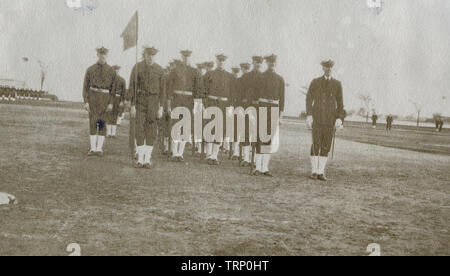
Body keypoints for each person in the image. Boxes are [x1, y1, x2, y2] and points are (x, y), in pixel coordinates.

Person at [306, 59, 344, 181]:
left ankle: (321, 172)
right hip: (317, 119)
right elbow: (308, 99)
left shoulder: (337, 84)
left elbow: (340, 104)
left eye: (330, 67)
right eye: (326, 67)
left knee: (326, 146)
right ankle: (313, 171)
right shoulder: (315, 82)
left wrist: (339, 118)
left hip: (329, 120)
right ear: (323, 68)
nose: (328, 69)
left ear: (332, 69)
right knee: (316, 144)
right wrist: (309, 115)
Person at [129, 46, 165, 169]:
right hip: (140, 102)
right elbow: (132, 87)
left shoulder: (160, 70)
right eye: (148, 55)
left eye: (153, 55)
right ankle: (140, 159)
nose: (150, 57)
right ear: (144, 55)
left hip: (154, 103)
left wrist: (161, 107)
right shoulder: (137, 67)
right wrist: (132, 105)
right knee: (139, 129)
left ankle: (147, 159)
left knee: (151, 131)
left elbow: (163, 91)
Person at [252, 55, 285, 176]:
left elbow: (282, 100)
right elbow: (254, 96)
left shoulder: (280, 79)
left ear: (276, 63)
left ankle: (264, 167)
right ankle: (258, 166)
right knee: (261, 138)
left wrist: (280, 116)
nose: (272, 64)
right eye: (270, 62)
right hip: (262, 108)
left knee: (268, 139)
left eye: (274, 62)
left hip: (274, 110)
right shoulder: (260, 77)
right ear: (266, 63)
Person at [166, 50, 202, 162]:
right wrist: (168, 102)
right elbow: (168, 87)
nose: (186, 59)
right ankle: (174, 152)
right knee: (175, 126)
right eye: (184, 57)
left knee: (185, 128)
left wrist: (197, 104)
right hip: (176, 100)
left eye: (188, 57)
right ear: (181, 57)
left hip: (188, 101)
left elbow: (198, 89)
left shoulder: (195, 71)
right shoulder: (174, 70)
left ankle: (180, 153)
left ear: (190, 58)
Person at [82, 46, 117, 157]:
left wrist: (111, 103)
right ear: (97, 55)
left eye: (105, 54)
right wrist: (86, 101)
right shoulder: (90, 69)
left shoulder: (111, 71)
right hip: (93, 97)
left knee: (102, 122)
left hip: (104, 99)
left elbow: (113, 89)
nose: (103, 56)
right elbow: (85, 87)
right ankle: (92, 148)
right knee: (93, 122)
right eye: (100, 54)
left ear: (107, 55)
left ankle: (99, 148)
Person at [203, 54, 233, 165]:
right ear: (216, 61)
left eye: (223, 61)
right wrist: (205, 104)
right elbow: (204, 90)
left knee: (219, 130)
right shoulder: (209, 74)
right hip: (211, 103)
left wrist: (230, 105)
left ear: (225, 62)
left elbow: (232, 92)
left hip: (223, 105)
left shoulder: (229, 76)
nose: (221, 63)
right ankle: (209, 154)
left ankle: (215, 155)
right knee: (210, 128)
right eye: (219, 61)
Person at [239, 57, 263, 167]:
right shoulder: (246, 77)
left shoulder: (264, 77)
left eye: (260, 63)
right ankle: (246, 158)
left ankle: (255, 159)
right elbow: (240, 92)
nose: (258, 64)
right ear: (253, 63)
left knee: (257, 133)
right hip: (247, 107)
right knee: (246, 132)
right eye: (256, 62)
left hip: (259, 108)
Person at [106, 65, 126, 138]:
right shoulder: (109, 79)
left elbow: (123, 92)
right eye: (114, 69)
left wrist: (122, 101)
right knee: (109, 116)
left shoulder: (122, 80)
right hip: (109, 99)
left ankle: (113, 133)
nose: (116, 71)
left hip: (118, 99)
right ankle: (108, 133)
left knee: (115, 116)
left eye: (117, 69)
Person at [230, 67, 242, 160]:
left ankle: (236, 151)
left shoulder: (241, 81)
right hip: (232, 106)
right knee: (234, 130)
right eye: (235, 72)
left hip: (240, 107)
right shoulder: (230, 80)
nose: (236, 74)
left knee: (239, 129)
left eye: (237, 73)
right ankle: (234, 150)